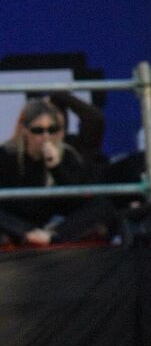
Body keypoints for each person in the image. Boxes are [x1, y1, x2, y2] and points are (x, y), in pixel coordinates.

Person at [0, 96, 101, 246]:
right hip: (15, 224)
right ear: (24, 130)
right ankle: (30, 234)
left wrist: (56, 167)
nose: (45, 136)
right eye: (38, 130)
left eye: (52, 130)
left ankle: (53, 237)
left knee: (102, 204)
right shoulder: (6, 155)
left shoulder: (67, 155)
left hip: (52, 225)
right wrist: (24, 230)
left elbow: (77, 202)